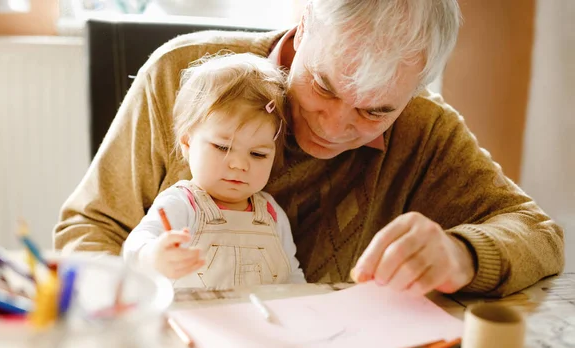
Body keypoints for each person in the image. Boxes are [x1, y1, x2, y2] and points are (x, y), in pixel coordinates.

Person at [54, 0, 564, 297]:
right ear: (302, 31)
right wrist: (139, 289)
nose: (336, 126)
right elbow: (88, 229)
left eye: (374, 112)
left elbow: (538, 233)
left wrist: (463, 253)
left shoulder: (424, 129)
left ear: (413, 92)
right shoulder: (176, 76)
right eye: (324, 86)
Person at [121, 52, 305, 288]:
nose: (239, 164)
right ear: (187, 143)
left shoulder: (272, 213)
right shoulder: (182, 204)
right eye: (222, 147)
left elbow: (292, 275)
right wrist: (153, 256)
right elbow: (136, 245)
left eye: (258, 154)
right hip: (192, 320)